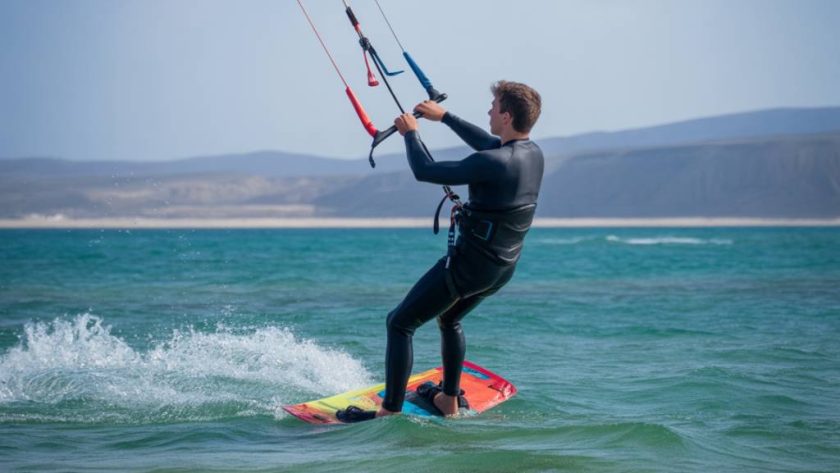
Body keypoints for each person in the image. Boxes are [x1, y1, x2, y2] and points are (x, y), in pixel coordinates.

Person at [337, 80, 544, 422]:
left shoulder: (494, 163)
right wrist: (444, 116)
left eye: (493, 107)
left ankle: (388, 412)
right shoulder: (531, 153)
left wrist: (410, 133)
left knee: (400, 323)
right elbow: (489, 143)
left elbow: (425, 171)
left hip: (469, 267)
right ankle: (448, 400)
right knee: (449, 318)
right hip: (501, 270)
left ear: (506, 116)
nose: (489, 111)